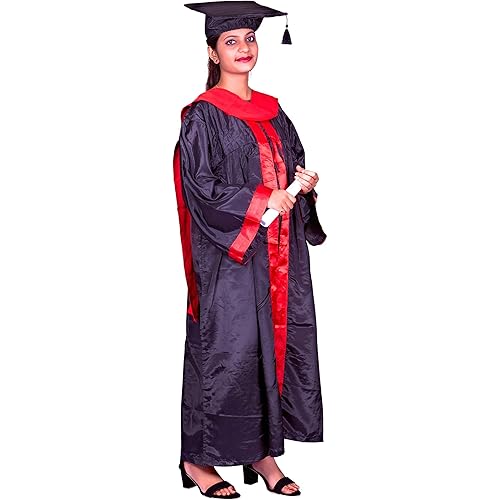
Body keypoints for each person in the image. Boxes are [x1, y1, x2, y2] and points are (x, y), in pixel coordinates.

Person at [173, 2, 327, 497]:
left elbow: (290, 164)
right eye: (231, 41)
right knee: (227, 351)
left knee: (271, 349)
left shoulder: (274, 110)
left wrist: (302, 185)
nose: (244, 48)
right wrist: (262, 199)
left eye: (250, 38)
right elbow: (200, 187)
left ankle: (262, 453)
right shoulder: (203, 115)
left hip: (279, 257)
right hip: (230, 257)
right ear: (212, 52)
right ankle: (198, 460)